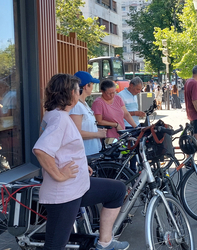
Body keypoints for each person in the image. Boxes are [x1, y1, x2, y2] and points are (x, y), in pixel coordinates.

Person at [32, 74, 129, 250]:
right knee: (55, 246)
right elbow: (41, 150)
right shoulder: (60, 119)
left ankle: (104, 242)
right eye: (78, 90)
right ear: (70, 93)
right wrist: (60, 175)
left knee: (117, 190)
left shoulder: (55, 115)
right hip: (64, 193)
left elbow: (62, 148)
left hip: (76, 186)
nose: (80, 93)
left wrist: (82, 166)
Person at [69, 71, 107, 156]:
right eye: (92, 84)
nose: (93, 87)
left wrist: (96, 130)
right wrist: (97, 134)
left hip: (90, 152)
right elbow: (76, 133)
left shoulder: (83, 103)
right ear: (86, 86)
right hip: (84, 154)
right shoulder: (76, 106)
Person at [184, 65, 197, 142]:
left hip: (190, 113)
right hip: (196, 114)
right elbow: (195, 101)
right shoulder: (195, 83)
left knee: (192, 136)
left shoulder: (188, 81)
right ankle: (191, 153)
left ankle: (189, 153)